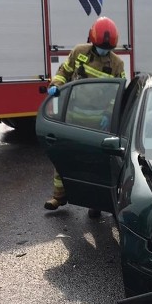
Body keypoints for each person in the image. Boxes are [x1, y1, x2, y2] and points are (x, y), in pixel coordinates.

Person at [43, 16, 126, 217]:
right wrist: (55, 86)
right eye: (101, 47)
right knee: (63, 157)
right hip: (72, 118)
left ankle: (95, 203)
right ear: (92, 39)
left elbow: (118, 93)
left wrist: (110, 114)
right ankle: (59, 197)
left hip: (98, 123)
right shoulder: (79, 53)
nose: (104, 51)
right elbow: (65, 71)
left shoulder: (116, 64)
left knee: (95, 164)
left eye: (108, 48)